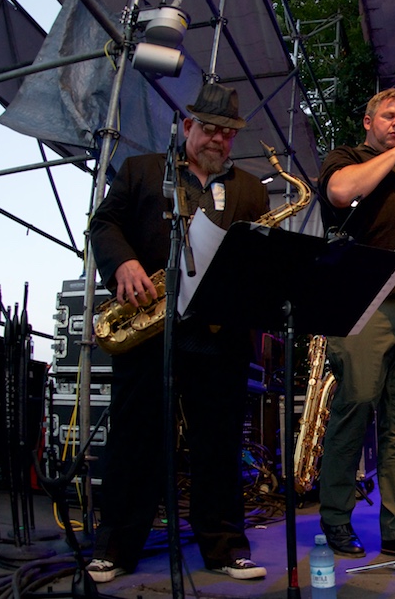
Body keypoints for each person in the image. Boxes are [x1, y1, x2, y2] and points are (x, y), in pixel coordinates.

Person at [86, 83, 270, 582]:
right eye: (209, 128)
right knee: (135, 441)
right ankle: (117, 547)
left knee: (219, 444)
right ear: (188, 126)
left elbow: (259, 259)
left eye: (228, 134)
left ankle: (226, 546)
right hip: (152, 329)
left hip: (219, 336)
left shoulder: (252, 189)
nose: (218, 140)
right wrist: (123, 262)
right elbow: (103, 226)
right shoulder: (142, 170)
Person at [316, 88, 395, 558]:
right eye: (388, 116)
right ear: (368, 120)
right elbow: (341, 191)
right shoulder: (349, 157)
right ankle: (334, 518)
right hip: (365, 303)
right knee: (355, 409)